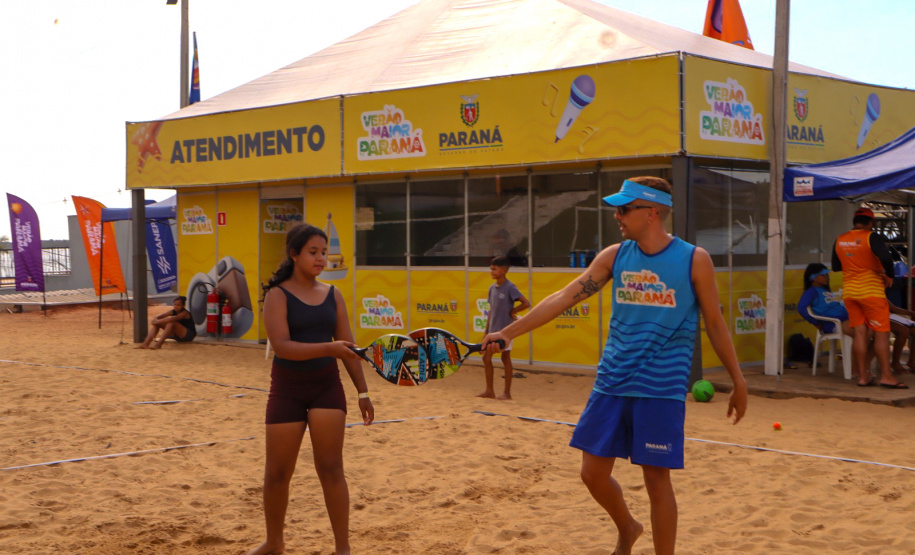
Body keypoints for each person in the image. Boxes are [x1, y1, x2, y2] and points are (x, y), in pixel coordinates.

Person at [482, 176, 747, 555]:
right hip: (612, 381)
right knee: (591, 474)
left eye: (624, 209)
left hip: (660, 388)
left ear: (652, 212)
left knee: (657, 481)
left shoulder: (694, 259)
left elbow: (716, 324)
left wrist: (738, 379)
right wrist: (508, 332)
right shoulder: (615, 255)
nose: (616, 215)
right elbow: (563, 297)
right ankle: (628, 527)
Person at [247, 223, 374, 555]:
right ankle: (274, 543)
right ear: (294, 254)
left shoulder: (333, 294)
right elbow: (284, 347)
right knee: (277, 474)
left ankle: (342, 548)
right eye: (313, 252)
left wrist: (362, 392)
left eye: (324, 253)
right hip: (287, 390)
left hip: (326, 389)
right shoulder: (277, 294)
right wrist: (329, 349)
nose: (321, 259)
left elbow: (351, 349)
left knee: (331, 468)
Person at [832, 207, 908, 389]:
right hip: (871, 292)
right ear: (871, 222)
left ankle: (863, 376)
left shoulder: (840, 239)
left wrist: (854, 263)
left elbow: (835, 266)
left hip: (850, 292)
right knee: (881, 335)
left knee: (860, 333)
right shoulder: (870, 237)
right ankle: (887, 376)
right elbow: (887, 258)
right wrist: (889, 275)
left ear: (854, 221)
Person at [477, 255, 531, 400]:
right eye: (491, 269)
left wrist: (513, 311)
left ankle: (507, 393)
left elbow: (526, 303)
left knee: (505, 358)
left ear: (504, 270)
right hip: (493, 331)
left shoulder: (510, 287)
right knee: (486, 358)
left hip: (506, 331)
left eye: (494, 269)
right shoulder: (492, 289)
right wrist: (486, 331)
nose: (491, 271)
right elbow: (491, 312)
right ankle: (490, 391)